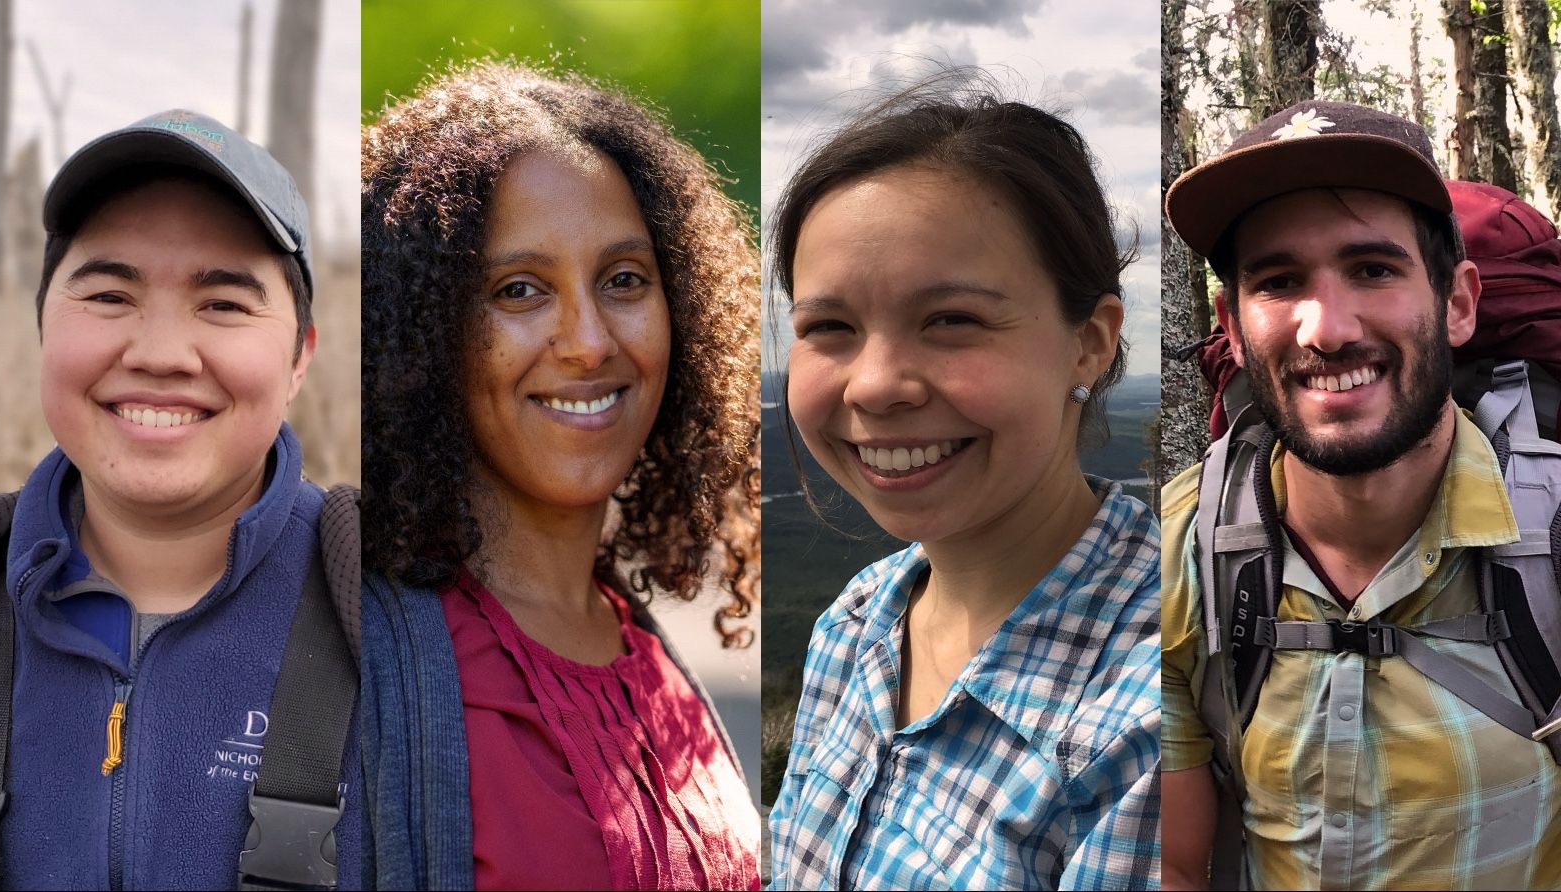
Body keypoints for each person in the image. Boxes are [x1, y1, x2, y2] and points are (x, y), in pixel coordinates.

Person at [358, 62, 763, 891]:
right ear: (423, 334)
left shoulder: (645, 649)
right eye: (519, 289)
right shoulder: (360, 672)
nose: (588, 340)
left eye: (623, 280)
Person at [765, 84, 1161, 891]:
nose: (875, 386)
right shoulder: (858, 624)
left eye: (950, 320)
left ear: (1088, 344)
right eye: (829, 328)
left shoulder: (1150, 715)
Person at [0, 108, 363, 891]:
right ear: (43, 324)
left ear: (299, 359)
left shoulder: (388, 617)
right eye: (109, 295)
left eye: (224, 304)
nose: (160, 354)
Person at [1160, 100, 1561, 890]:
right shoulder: (1183, 549)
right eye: (1278, 281)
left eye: (1372, 269)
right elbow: (1176, 867)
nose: (1327, 328)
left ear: (1457, 304)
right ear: (1233, 329)